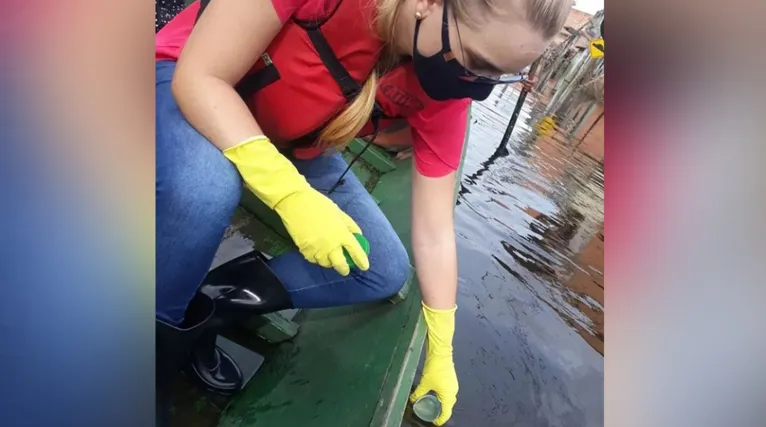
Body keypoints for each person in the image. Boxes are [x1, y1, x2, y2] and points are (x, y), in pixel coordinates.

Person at [155, 0, 571, 424]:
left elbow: (435, 231)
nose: (477, 85)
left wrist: (441, 349)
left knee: (381, 268)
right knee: (204, 190)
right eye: (478, 62)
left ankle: (200, 311)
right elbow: (200, 77)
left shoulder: (447, 88)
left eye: (499, 76)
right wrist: (288, 194)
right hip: (187, 79)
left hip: (292, 136)